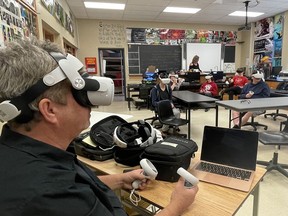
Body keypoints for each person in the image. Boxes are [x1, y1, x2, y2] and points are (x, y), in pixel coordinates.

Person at [0, 38, 198, 216]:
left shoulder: (23, 152)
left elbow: (75, 185)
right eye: (80, 93)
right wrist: (177, 205)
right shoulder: (51, 195)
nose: (91, 102)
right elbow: (68, 196)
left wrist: (119, 180)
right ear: (50, 110)